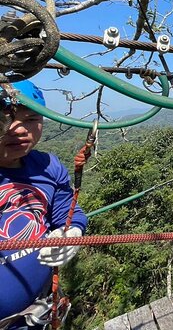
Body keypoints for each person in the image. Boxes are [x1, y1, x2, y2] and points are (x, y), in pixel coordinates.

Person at [0, 80, 88, 330]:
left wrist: (72, 232)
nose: (18, 129)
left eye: (30, 118)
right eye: (5, 118)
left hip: (40, 313)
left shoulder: (48, 167)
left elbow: (67, 211)